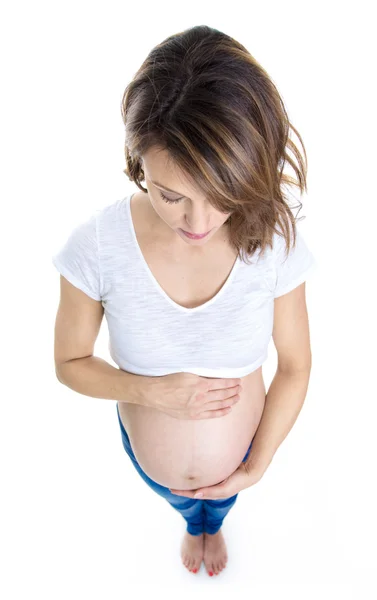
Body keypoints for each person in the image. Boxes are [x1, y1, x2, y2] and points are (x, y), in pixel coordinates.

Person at [52, 25, 317, 578]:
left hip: (243, 456)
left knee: (217, 503)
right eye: (172, 196)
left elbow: (295, 364)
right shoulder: (96, 245)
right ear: (137, 162)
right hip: (155, 468)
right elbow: (69, 364)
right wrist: (152, 394)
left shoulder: (272, 240)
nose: (197, 223)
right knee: (182, 500)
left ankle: (213, 521)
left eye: (221, 196)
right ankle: (190, 519)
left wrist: (257, 465)